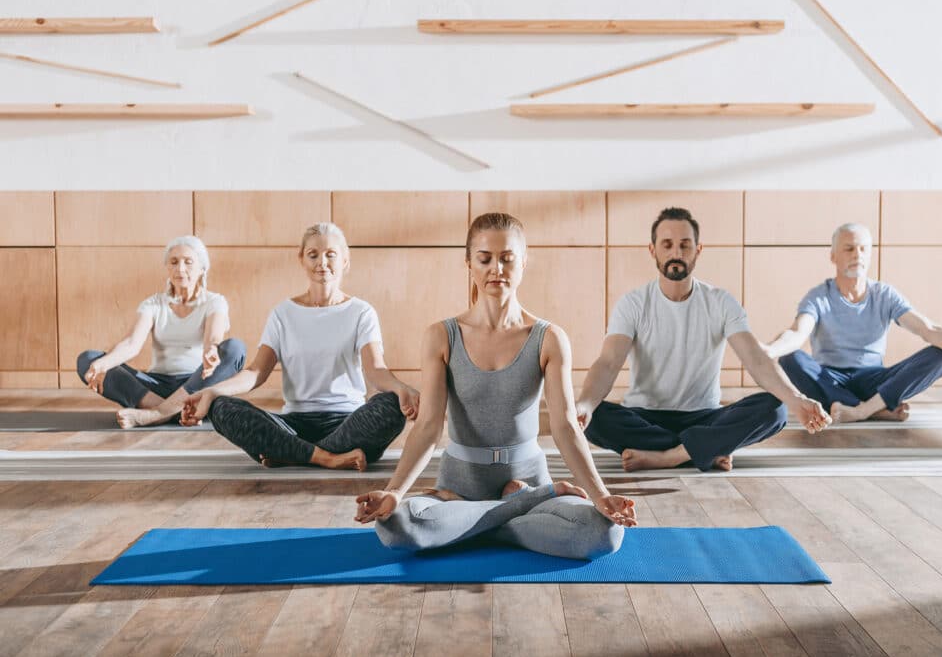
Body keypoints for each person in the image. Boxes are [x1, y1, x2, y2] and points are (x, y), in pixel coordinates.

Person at [354, 213, 636, 560]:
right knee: (394, 527)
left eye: (507, 259)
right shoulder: (441, 336)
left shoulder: (549, 338)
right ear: (469, 263)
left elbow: (564, 428)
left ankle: (481, 522)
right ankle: (518, 508)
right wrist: (394, 492)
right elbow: (427, 426)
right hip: (460, 484)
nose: (496, 269)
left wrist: (600, 496)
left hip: (526, 476)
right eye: (485, 259)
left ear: (523, 262)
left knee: (605, 534)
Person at [576, 208, 831, 473]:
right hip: (645, 416)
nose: (676, 253)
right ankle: (703, 450)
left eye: (685, 245)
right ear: (652, 250)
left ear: (698, 250)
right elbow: (608, 362)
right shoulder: (633, 303)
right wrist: (585, 404)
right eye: (668, 245)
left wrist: (797, 398)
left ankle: (668, 456)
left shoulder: (720, 301)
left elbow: (756, 359)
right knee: (595, 418)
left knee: (775, 409)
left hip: (705, 417)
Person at [180, 222, 416, 471]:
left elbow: (376, 370)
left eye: (330, 255)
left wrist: (401, 389)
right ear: (302, 260)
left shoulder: (361, 312)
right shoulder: (283, 313)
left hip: (348, 422)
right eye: (313, 255)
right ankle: (328, 458)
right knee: (222, 407)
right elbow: (255, 373)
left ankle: (291, 453)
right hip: (294, 425)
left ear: (345, 260)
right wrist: (212, 392)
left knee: (390, 405)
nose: (321, 262)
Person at [764, 222, 942, 423]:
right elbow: (797, 332)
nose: (856, 255)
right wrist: (769, 351)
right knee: (790, 358)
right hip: (828, 379)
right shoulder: (819, 296)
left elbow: (928, 330)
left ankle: (860, 411)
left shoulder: (884, 295)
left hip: (874, 380)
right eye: (849, 249)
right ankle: (877, 410)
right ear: (833, 256)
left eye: (862, 249)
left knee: (939, 357)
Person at [77, 235, 246, 429]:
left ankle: (158, 414)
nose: (180, 269)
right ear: (167, 267)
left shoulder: (215, 302)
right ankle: (177, 410)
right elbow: (132, 344)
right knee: (88, 359)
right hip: (155, 387)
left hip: (197, 384)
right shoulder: (153, 304)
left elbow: (213, 338)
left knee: (235, 348)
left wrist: (211, 350)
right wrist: (103, 364)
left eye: (188, 262)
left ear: (202, 269)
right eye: (174, 262)